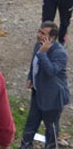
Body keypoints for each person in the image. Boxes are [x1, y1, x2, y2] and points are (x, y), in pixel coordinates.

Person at [20, 21, 70, 149]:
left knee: (51, 129)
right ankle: (25, 146)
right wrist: (30, 77)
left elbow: (51, 71)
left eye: (43, 33)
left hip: (52, 99)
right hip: (38, 93)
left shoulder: (60, 53)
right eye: (39, 31)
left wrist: (42, 54)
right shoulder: (38, 46)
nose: (39, 35)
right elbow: (34, 64)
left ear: (52, 37)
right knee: (30, 124)